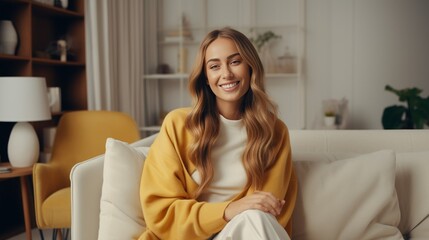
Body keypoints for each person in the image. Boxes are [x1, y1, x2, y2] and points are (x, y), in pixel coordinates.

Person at [139, 27, 297, 240]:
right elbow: (161, 214)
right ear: (205, 77)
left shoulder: (274, 132)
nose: (226, 74)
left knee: (256, 218)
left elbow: (268, 209)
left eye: (235, 62)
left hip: (246, 233)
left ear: (250, 67)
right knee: (254, 217)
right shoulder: (177, 126)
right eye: (214, 66)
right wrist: (228, 210)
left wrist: (240, 214)